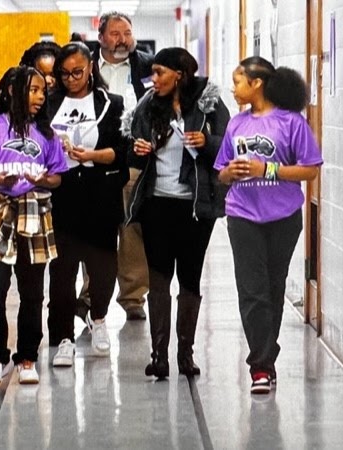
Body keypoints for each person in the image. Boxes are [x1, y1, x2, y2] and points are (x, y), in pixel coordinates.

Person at [213, 56, 323, 394]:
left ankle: (267, 356)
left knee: (273, 289)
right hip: (243, 214)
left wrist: (268, 170)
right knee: (251, 290)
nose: (233, 88)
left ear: (256, 83)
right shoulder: (236, 124)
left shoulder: (291, 123)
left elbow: (310, 169)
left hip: (283, 217)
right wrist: (229, 174)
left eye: (238, 80)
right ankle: (259, 366)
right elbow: (221, 171)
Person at [122, 47, 230, 378]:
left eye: (159, 73)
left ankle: (185, 354)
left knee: (190, 276)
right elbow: (133, 152)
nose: (153, 80)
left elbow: (229, 146)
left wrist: (207, 142)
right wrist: (138, 149)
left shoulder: (209, 104)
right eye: (152, 73)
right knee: (158, 276)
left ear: (179, 74)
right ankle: (158, 355)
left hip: (197, 206)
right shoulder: (148, 105)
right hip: (157, 202)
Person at [0, 65, 68, 386]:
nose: (40, 96)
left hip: (34, 212)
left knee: (32, 290)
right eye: (33, 90)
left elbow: (57, 177)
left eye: (42, 91)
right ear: (12, 91)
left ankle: (26, 357)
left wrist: (43, 179)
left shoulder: (46, 134)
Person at [47, 42, 129, 367]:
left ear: (91, 67)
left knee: (102, 265)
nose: (71, 79)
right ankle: (64, 336)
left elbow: (122, 151)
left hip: (100, 195)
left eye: (77, 72)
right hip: (62, 196)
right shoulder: (49, 104)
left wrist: (92, 156)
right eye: (64, 74)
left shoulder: (112, 103)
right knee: (62, 269)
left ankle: (98, 319)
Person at [75, 11, 154, 322]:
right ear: (101, 37)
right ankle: (91, 293)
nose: (123, 40)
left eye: (127, 33)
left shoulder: (147, 66)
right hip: (97, 161)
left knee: (133, 230)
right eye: (116, 33)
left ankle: (133, 297)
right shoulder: (86, 65)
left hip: (136, 160)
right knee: (97, 230)